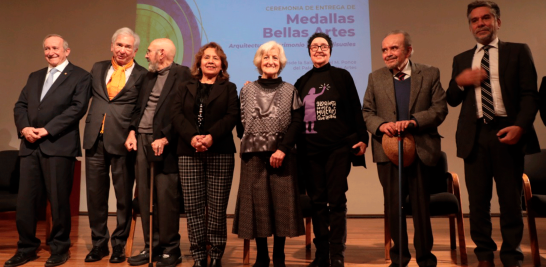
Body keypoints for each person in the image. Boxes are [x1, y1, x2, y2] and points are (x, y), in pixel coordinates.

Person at [446, 2, 539, 266]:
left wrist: (520, 126)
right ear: (470, 26)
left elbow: (530, 95)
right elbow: (451, 99)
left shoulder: (518, 51)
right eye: (474, 20)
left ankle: (512, 256)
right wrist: (459, 82)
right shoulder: (462, 59)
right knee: (478, 203)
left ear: (498, 21)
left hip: (507, 131)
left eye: (486, 18)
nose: (480, 23)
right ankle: (484, 256)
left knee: (510, 200)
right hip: (474, 137)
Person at [362, 30, 447, 267]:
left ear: (408, 50)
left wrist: (414, 121)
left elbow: (439, 109)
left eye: (394, 48)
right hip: (387, 152)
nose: (388, 54)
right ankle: (399, 259)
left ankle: (425, 259)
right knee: (393, 206)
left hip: (420, 149)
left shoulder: (429, 74)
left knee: (421, 207)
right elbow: (367, 112)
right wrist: (382, 125)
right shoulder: (375, 77)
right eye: (384, 50)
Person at [9, 34, 91, 267]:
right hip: (30, 146)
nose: (50, 52)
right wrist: (24, 127)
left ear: (67, 50)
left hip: (58, 146)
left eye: (55, 48)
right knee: (26, 202)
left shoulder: (81, 76)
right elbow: (20, 105)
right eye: (46, 48)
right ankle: (26, 248)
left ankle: (59, 248)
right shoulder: (35, 76)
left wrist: (47, 130)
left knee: (58, 201)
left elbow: (77, 108)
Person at [294, 32, 368, 267]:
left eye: (323, 46)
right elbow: (295, 118)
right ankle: (321, 253)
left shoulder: (342, 76)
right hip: (310, 151)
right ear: (308, 51)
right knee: (317, 202)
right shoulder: (301, 81)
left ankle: (337, 254)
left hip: (337, 150)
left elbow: (355, 109)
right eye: (314, 46)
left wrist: (363, 138)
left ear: (330, 50)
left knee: (336, 201)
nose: (319, 49)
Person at [232, 41, 305, 267]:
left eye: (275, 58)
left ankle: (279, 257)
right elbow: (240, 124)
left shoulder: (290, 89)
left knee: (281, 207)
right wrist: (256, 140)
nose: (270, 62)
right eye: (266, 58)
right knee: (259, 206)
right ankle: (262, 257)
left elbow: (296, 123)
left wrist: (281, 148)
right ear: (259, 62)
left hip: (282, 156)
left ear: (280, 63)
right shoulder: (246, 89)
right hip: (253, 157)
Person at [82, 27, 147, 263]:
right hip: (94, 140)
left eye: (128, 46)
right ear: (112, 46)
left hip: (123, 141)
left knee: (122, 197)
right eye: (119, 45)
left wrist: (133, 132)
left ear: (135, 50)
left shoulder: (142, 74)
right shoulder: (98, 68)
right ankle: (99, 244)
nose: (122, 50)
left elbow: (141, 109)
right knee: (95, 196)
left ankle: (119, 244)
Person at [171, 42, 239, 267]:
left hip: (220, 151)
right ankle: (199, 255)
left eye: (216, 58)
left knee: (218, 207)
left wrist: (210, 137)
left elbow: (231, 117)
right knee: (193, 207)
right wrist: (192, 137)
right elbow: (177, 115)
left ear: (222, 65)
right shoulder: (184, 86)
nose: (210, 61)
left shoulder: (229, 88)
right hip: (188, 152)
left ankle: (217, 254)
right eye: (207, 57)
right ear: (199, 62)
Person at [125, 38, 191, 267]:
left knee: (166, 197)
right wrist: (132, 131)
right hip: (142, 140)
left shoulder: (183, 74)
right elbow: (138, 108)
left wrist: (166, 136)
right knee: (144, 196)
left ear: (161, 53)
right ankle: (150, 247)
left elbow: (185, 112)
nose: (146, 55)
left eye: (149, 51)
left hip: (166, 143)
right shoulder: (148, 76)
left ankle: (170, 248)